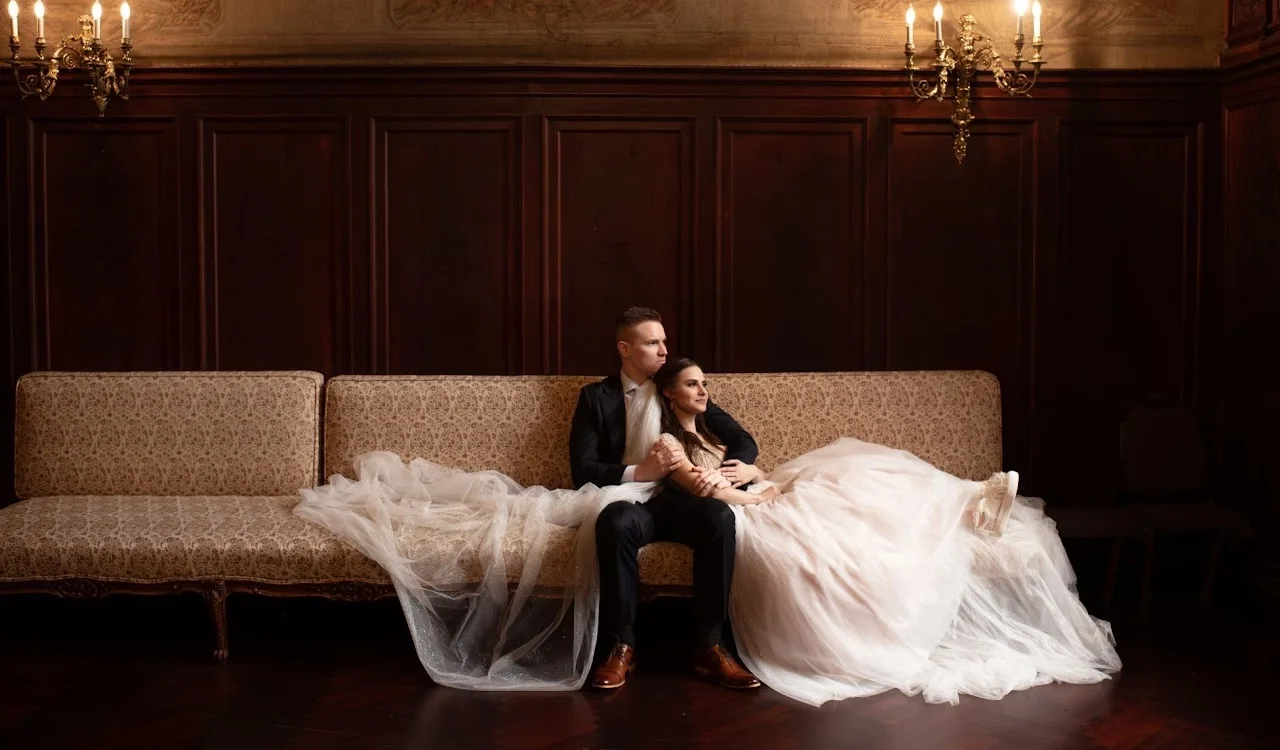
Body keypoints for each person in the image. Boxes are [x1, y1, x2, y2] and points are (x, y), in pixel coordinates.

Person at [644, 356, 1122, 706]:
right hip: (747, 511)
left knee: (856, 472)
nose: (704, 391)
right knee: (834, 510)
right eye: (692, 384)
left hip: (763, 487)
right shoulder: (668, 442)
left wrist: (754, 471)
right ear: (670, 393)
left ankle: (970, 500)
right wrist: (760, 494)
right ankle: (966, 505)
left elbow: (746, 458)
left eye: (705, 382)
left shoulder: (713, 428)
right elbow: (706, 490)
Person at [568, 307, 761, 690]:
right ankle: (621, 646)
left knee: (719, 518)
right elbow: (583, 469)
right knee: (615, 521)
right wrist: (639, 473)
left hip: (682, 498)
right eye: (652, 342)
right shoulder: (595, 397)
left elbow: (742, 439)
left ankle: (711, 646)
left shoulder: (678, 386)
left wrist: (738, 471)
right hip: (630, 498)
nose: (663, 351)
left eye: (664, 341)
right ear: (625, 348)